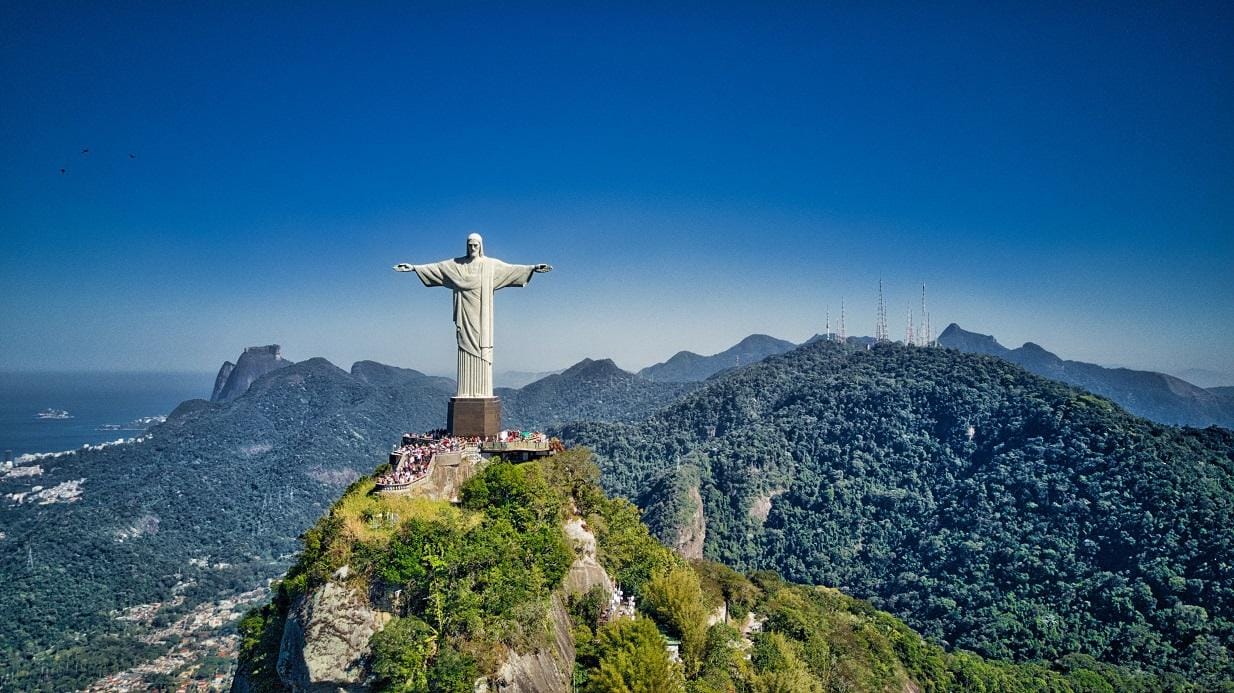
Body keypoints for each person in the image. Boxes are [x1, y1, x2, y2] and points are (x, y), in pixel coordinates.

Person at [394, 234, 551, 397]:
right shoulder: (457, 265)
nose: (473, 248)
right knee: (465, 347)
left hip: (483, 317)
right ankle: (466, 391)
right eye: (470, 245)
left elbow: (512, 269)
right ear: (466, 246)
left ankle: (481, 391)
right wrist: (413, 267)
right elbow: (437, 268)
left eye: (476, 245)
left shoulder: (490, 265)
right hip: (465, 314)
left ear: (481, 246)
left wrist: (533, 267)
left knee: (481, 349)